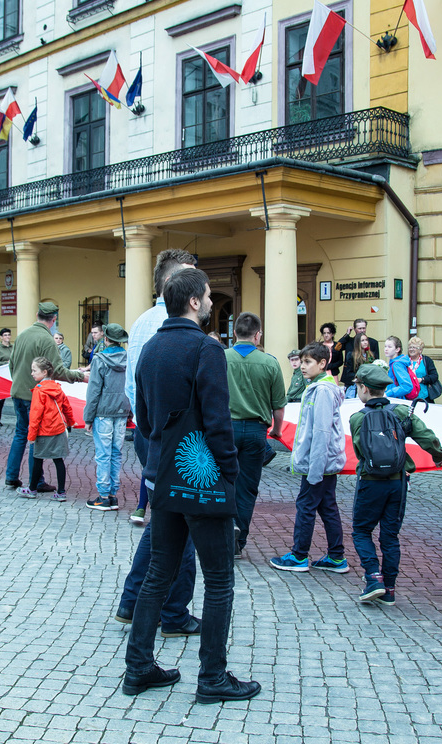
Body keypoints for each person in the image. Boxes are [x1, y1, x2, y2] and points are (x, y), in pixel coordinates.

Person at [122, 268, 260, 703]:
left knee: (158, 573)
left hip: (163, 473)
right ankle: (212, 677)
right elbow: (218, 421)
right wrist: (230, 472)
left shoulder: (150, 348)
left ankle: (138, 668)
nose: (210, 301)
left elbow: (144, 419)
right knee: (219, 580)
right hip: (202, 477)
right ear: (195, 302)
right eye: (207, 295)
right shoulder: (206, 348)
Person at [116, 248, 199, 635]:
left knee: (167, 523)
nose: (199, 286)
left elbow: (134, 390)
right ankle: (172, 612)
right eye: (190, 277)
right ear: (170, 282)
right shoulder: (168, 323)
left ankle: (134, 602)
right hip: (170, 438)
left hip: (151, 434)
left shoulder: (143, 321)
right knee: (182, 524)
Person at [350, 364, 442, 604]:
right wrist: (439, 455)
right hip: (397, 481)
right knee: (390, 536)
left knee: (361, 531)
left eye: (358, 386)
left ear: (364, 388)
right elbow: (427, 436)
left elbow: (361, 451)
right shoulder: (402, 412)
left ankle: (373, 577)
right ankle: (390, 589)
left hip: (370, 481)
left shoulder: (358, 418)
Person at [270, 342, 347, 573]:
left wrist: (315, 469)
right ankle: (336, 557)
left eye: (307, 362)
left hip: (319, 463)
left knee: (306, 506)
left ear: (322, 364)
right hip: (323, 462)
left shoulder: (321, 391)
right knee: (327, 507)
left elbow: (321, 432)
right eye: (302, 362)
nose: (302, 366)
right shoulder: (318, 388)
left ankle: (299, 555)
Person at [6, 302, 87, 491]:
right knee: (36, 436)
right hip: (35, 395)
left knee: (21, 433)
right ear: (54, 319)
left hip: (18, 392)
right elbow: (57, 370)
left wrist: (18, 382)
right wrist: (80, 376)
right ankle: (36, 482)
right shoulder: (47, 340)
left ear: (37, 315)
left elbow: (12, 364)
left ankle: (11, 476)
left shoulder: (23, 335)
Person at [225, 312, 286, 557]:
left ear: (234, 333)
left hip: (225, 429)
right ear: (258, 335)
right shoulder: (270, 363)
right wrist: (277, 431)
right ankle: (239, 541)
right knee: (247, 487)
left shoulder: (222, 357)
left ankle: (224, 529)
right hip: (255, 431)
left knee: (223, 481)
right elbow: (278, 406)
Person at [83, 323, 132, 511]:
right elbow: (132, 386)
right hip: (122, 410)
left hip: (103, 412)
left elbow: (94, 391)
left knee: (103, 454)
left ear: (106, 338)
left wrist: (88, 417)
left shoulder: (100, 359)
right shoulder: (129, 358)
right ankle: (112, 495)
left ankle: (103, 496)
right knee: (116, 453)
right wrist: (130, 411)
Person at [17, 356, 74, 500]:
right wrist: (70, 422)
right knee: (58, 460)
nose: (32, 373)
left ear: (44, 372)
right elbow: (67, 407)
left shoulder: (39, 391)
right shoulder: (57, 388)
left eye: (34, 370)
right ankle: (61, 492)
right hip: (58, 430)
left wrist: (31, 436)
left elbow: (35, 415)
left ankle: (32, 489)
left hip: (44, 431)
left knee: (37, 459)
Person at [338, 319, 380, 388]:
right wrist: (347, 334)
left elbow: (376, 361)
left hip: (368, 380)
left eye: (364, 328)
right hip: (351, 380)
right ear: (355, 329)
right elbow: (337, 348)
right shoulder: (349, 341)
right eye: (360, 328)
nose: (362, 330)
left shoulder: (373, 342)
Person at [407, 336, 441, 403]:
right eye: (410, 347)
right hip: (408, 397)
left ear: (420, 350)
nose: (411, 349)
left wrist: (422, 380)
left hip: (424, 398)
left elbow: (434, 376)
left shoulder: (427, 360)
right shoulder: (405, 361)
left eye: (414, 347)